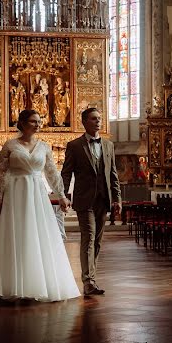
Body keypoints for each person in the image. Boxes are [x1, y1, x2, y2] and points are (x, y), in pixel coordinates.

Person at [0, 110, 79, 302]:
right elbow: (0, 173)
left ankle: (35, 284)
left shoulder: (44, 146)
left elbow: (51, 173)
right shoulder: (10, 145)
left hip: (36, 194)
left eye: (39, 121)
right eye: (33, 121)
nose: (38, 125)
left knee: (35, 235)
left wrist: (62, 195)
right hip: (13, 193)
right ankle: (6, 284)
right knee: (12, 235)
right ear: (22, 123)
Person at [61, 107, 121, 296]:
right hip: (84, 199)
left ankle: (90, 277)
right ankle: (88, 281)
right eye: (94, 119)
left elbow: (113, 175)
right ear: (85, 122)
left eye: (100, 119)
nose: (98, 122)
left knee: (97, 241)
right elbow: (66, 173)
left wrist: (117, 198)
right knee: (88, 236)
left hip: (103, 199)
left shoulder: (109, 146)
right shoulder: (74, 145)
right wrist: (64, 195)